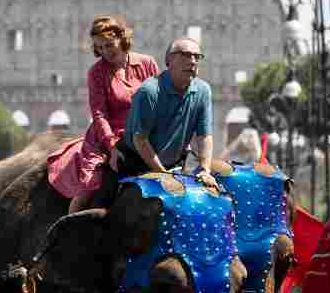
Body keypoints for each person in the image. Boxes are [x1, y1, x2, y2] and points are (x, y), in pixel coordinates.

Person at [47, 16, 160, 212]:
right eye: (100, 47)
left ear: (122, 38)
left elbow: (162, 103)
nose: (105, 51)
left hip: (146, 135)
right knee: (86, 193)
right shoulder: (96, 73)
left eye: (109, 44)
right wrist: (112, 146)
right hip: (109, 139)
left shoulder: (147, 63)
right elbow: (99, 114)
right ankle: (70, 230)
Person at [115, 36, 218, 191]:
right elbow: (140, 139)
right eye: (186, 55)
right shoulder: (149, 91)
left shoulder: (203, 90)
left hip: (174, 165)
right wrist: (163, 174)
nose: (193, 61)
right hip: (135, 163)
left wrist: (205, 170)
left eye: (197, 57)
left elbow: (204, 135)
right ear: (169, 61)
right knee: (104, 206)